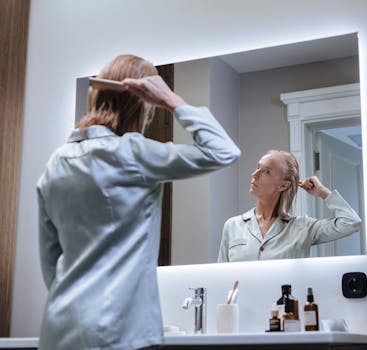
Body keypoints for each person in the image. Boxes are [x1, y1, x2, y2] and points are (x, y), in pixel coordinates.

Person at [37, 54, 240, 350]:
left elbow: (50, 265)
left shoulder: (56, 163)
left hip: (59, 329)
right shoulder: (133, 154)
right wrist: (171, 100)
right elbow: (223, 151)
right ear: (141, 104)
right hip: (119, 332)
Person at [217, 149, 361, 262]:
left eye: (266, 171)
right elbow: (221, 277)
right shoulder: (232, 225)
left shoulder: (303, 228)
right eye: (258, 167)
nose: (254, 174)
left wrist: (322, 192)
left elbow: (351, 222)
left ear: (283, 185)